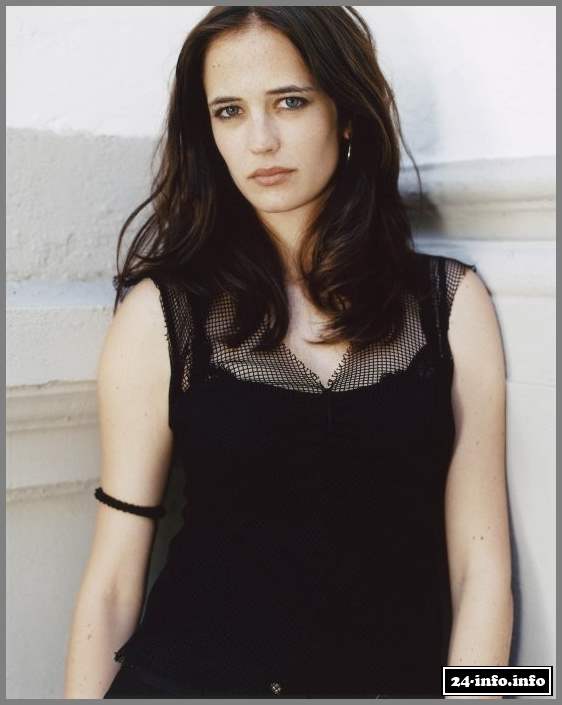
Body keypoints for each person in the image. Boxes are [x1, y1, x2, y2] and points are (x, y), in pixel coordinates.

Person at [63, 6, 513, 699]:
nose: (261, 140)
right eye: (229, 112)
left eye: (290, 102)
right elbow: (113, 583)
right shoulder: (161, 314)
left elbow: (481, 573)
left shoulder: (449, 304)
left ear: (348, 114)